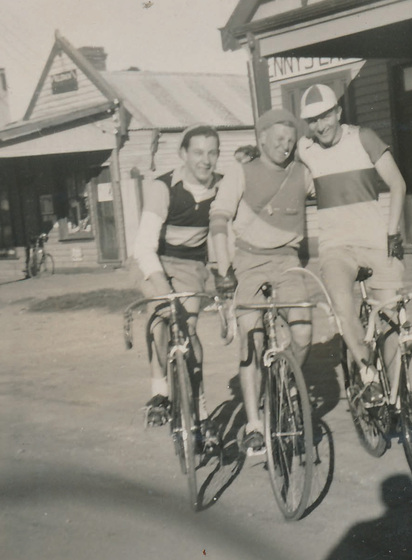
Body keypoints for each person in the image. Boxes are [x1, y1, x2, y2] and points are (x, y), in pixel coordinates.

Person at [210, 108, 315, 453]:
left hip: (287, 260)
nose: (285, 146)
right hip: (248, 260)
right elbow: (220, 220)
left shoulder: (302, 173)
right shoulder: (240, 173)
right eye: (278, 139)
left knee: (303, 332)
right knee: (251, 340)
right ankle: (255, 423)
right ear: (261, 139)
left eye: (290, 140)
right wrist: (224, 271)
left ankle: (284, 384)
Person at [297, 84, 406, 405]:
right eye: (313, 120)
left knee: (390, 318)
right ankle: (367, 374)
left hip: (377, 243)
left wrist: (392, 231)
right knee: (342, 307)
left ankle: (396, 398)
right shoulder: (305, 149)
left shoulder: (364, 137)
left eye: (326, 116)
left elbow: (397, 183)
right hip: (336, 249)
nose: (321, 125)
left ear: (338, 113)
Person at [133, 123, 221, 446]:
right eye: (198, 152)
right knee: (160, 319)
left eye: (212, 152)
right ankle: (160, 392)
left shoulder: (222, 188)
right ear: (183, 154)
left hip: (190, 266)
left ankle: (200, 409)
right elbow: (143, 247)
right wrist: (162, 288)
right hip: (155, 260)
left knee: (189, 330)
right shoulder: (164, 188)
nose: (205, 160)